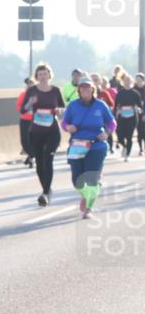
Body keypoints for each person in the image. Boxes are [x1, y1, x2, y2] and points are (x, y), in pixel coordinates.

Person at [62, 76, 116, 219]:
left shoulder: (100, 105)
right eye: (82, 87)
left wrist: (107, 133)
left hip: (96, 145)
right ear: (78, 90)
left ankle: (88, 208)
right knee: (76, 180)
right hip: (77, 145)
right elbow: (64, 122)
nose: (85, 89)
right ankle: (86, 195)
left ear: (93, 89)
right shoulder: (73, 105)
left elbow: (112, 122)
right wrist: (68, 127)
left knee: (91, 178)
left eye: (88, 87)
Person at [20, 64, 65, 206]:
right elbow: (23, 110)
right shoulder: (32, 91)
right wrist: (29, 103)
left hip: (52, 130)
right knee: (39, 162)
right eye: (40, 74)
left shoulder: (55, 90)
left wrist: (59, 112)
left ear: (49, 75)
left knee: (48, 158)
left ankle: (45, 193)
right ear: (36, 76)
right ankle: (46, 189)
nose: (42, 76)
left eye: (45, 74)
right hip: (36, 131)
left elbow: (62, 107)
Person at [113, 73, 143, 162]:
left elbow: (140, 107)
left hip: (132, 117)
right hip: (122, 117)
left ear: (131, 82)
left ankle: (127, 155)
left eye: (129, 81)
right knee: (120, 135)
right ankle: (124, 146)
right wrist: (116, 111)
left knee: (129, 136)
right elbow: (115, 106)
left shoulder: (135, 93)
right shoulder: (120, 93)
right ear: (123, 82)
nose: (127, 82)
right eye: (125, 81)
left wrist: (137, 109)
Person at [91, 73, 117, 154]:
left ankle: (110, 146)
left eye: (96, 80)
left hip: (103, 118)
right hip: (91, 119)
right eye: (92, 80)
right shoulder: (86, 94)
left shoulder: (104, 93)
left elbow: (111, 104)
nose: (94, 82)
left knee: (106, 130)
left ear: (99, 82)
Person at [16, 77, 35, 168]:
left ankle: (31, 157)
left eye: (31, 84)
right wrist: (25, 109)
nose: (29, 86)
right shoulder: (23, 95)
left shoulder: (37, 95)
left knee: (33, 140)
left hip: (35, 120)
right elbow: (19, 107)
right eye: (28, 84)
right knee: (25, 141)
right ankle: (31, 155)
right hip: (24, 120)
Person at [134, 73, 145, 155]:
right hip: (137, 113)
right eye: (137, 80)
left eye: (139, 80)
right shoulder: (134, 90)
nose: (138, 81)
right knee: (139, 131)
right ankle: (141, 148)